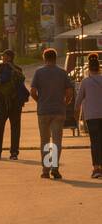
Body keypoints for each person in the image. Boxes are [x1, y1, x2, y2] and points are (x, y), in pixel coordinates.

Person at [31, 47, 75, 179]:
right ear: (55, 58)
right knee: (56, 141)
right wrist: (65, 102)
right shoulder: (62, 73)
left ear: (45, 58)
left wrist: (40, 101)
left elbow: (32, 91)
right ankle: (55, 168)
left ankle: (45, 170)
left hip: (43, 111)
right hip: (58, 111)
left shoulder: (38, 72)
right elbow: (69, 92)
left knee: (45, 141)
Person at [0, 49, 28, 159]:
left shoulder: (0, 68)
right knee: (15, 128)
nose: (2, 58)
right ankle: (14, 153)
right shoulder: (18, 69)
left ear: (8, 57)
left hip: (2, 103)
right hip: (16, 103)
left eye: (4, 56)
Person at [75, 53, 102, 179]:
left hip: (91, 116)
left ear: (89, 68)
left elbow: (79, 99)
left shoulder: (85, 82)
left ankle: (96, 168)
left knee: (94, 142)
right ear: (99, 68)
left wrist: (76, 113)